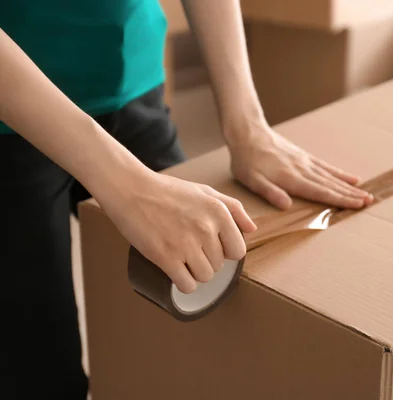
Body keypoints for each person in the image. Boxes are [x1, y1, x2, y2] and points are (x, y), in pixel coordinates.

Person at [0, 0, 373, 398]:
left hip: (132, 77)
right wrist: (128, 187)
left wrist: (248, 127)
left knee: (198, 307)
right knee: (37, 369)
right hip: (13, 109)